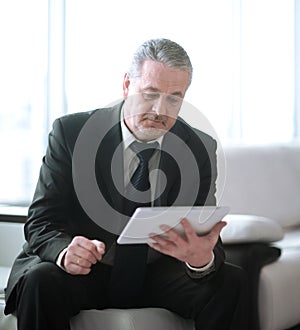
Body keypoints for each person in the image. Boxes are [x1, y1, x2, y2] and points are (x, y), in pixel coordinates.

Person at [4, 38, 247, 330]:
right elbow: (41, 221)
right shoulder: (71, 133)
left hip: (154, 271)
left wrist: (200, 259)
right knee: (39, 280)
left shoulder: (198, 147)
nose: (160, 110)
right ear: (126, 85)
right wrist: (66, 251)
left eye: (174, 98)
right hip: (86, 269)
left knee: (230, 279)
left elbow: (203, 231)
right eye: (150, 93)